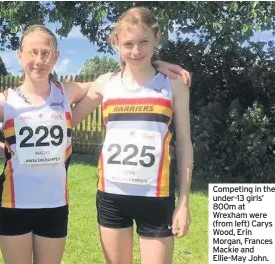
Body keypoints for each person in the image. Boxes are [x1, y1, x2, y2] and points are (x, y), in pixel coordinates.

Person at [0, 24, 191, 264]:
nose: (39, 60)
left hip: (54, 203)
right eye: (32, 52)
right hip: (13, 202)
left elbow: (119, 78)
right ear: (19, 55)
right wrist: (5, 151)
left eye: (46, 53)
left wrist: (155, 65)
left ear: (56, 57)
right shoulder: (3, 102)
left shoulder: (66, 92)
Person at [71, 7, 193, 264]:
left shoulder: (173, 84)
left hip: (156, 196)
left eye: (143, 42)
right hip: (111, 195)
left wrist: (184, 202)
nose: (136, 51)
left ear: (156, 38)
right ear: (116, 43)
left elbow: (184, 144)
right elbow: (68, 119)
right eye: (128, 43)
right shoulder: (106, 83)